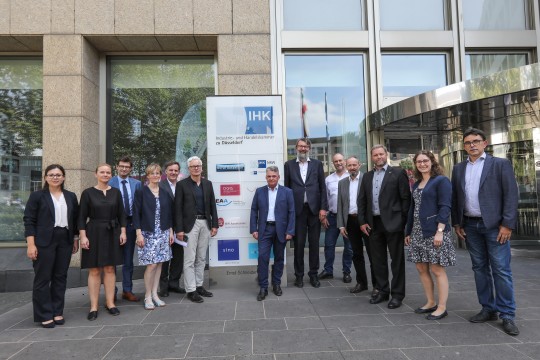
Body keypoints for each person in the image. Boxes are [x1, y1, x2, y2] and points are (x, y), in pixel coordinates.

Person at [451, 127, 520, 336]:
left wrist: (507, 224)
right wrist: (457, 223)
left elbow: (511, 195)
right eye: (467, 142)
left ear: (484, 143)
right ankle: (488, 308)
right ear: (464, 146)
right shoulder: (458, 168)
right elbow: (456, 197)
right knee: (479, 268)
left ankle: (507, 315)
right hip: (470, 226)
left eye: (476, 141)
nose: (472, 145)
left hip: (495, 227)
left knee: (501, 269)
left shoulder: (500, 164)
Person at [23, 164, 79, 328]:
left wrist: (75, 239)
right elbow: (29, 221)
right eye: (51, 174)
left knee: (60, 277)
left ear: (63, 177)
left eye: (58, 174)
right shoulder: (37, 196)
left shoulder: (70, 196)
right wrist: (31, 245)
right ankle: (44, 314)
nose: (55, 177)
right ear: (46, 177)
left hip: (65, 239)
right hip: (43, 241)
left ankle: (57, 311)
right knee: (43, 278)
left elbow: (74, 221)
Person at [405, 151, 456, 320]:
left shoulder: (441, 181)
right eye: (419, 161)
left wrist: (440, 231)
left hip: (435, 231)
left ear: (432, 162)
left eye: (425, 161)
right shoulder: (416, 183)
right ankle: (430, 302)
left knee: (436, 269)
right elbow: (413, 209)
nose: (422, 164)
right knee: (421, 268)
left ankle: (442, 307)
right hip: (418, 231)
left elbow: (445, 207)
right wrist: (408, 231)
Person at [358, 145, 411, 309]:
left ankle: (397, 295)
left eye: (381, 154)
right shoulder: (367, 176)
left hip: (393, 223)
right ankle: (382, 291)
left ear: (386, 155)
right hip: (373, 224)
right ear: (372, 157)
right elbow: (362, 201)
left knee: (397, 261)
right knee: (377, 260)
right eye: (375, 155)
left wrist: (402, 222)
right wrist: (362, 221)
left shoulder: (397, 173)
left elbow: (405, 199)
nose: (378, 157)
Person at [79, 164, 127, 320]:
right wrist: (83, 236)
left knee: (110, 269)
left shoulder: (116, 192)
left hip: (113, 232)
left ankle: (110, 303)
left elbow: (122, 214)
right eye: (102, 172)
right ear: (96, 174)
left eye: (108, 172)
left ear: (111, 175)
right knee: (94, 270)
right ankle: (93, 306)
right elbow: (81, 217)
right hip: (93, 232)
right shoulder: (88, 193)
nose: (105, 174)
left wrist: (123, 232)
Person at [284, 138, 328, 288]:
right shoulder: (288, 165)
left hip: (314, 210)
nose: (303, 148)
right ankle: (299, 276)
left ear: (309, 148)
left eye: (305, 146)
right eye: (300, 146)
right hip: (298, 211)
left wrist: (323, 208)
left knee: (314, 244)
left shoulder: (317, 164)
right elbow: (286, 189)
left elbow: (322, 188)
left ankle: (314, 275)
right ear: (296, 147)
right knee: (299, 245)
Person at [175, 156, 218, 303]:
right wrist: (179, 229)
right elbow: (178, 209)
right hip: (189, 226)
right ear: (189, 168)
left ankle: (199, 286)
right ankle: (191, 290)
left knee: (201, 257)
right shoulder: (182, 185)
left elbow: (213, 205)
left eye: (198, 166)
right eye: (193, 166)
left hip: (205, 223)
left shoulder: (208, 184)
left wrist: (214, 225)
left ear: (202, 167)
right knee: (189, 259)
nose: (196, 168)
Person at [250, 166, 295, 301]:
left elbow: (292, 212)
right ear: (266, 177)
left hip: (281, 230)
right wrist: (254, 229)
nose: (271, 178)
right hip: (265, 230)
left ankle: (276, 284)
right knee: (263, 257)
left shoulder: (287, 192)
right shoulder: (259, 192)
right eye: (269, 176)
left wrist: (290, 231)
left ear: (278, 177)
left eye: (274, 176)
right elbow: (253, 210)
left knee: (279, 258)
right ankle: (263, 287)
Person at [133, 163, 174, 310]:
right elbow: (136, 214)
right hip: (147, 233)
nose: (155, 175)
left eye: (158, 173)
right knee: (151, 265)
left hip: (163, 232)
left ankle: (155, 295)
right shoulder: (141, 192)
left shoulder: (165, 193)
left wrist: (170, 232)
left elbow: (169, 214)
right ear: (148, 175)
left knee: (160, 264)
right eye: (152, 173)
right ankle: (148, 296)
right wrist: (138, 234)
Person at [109, 156, 141, 302]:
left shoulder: (137, 184)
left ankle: (127, 290)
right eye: (121, 166)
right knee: (113, 259)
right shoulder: (109, 182)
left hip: (130, 224)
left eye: (127, 167)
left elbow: (139, 206)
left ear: (130, 169)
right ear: (117, 167)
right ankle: (112, 291)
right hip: (113, 225)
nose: (124, 169)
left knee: (128, 259)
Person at [337, 156, 370, 294]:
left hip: (366, 222)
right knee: (356, 254)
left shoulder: (367, 179)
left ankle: (378, 285)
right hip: (350, 221)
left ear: (359, 165)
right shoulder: (342, 182)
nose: (352, 167)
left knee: (373, 253)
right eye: (349, 165)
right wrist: (341, 225)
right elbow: (340, 205)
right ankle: (361, 283)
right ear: (346, 166)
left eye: (354, 165)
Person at [320, 153, 353, 283]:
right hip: (333, 216)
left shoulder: (351, 176)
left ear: (344, 161)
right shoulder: (328, 179)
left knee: (349, 247)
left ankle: (347, 272)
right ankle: (328, 270)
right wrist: (324, 216)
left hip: (348, 218)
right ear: (333, 163)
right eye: (335, 161)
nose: (338, 163)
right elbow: (325, 199)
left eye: (340, 160)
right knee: (328, 245)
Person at [158, 160, 185, 297]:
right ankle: (163, 287)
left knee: (178, 256)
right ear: (165, 172)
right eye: (171, 170)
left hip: (180, 227)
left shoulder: (182, 185)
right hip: (164, 226)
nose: (173, 172)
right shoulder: (160, 186)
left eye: (176, 170)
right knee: (164, 257)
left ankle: (174, 283)